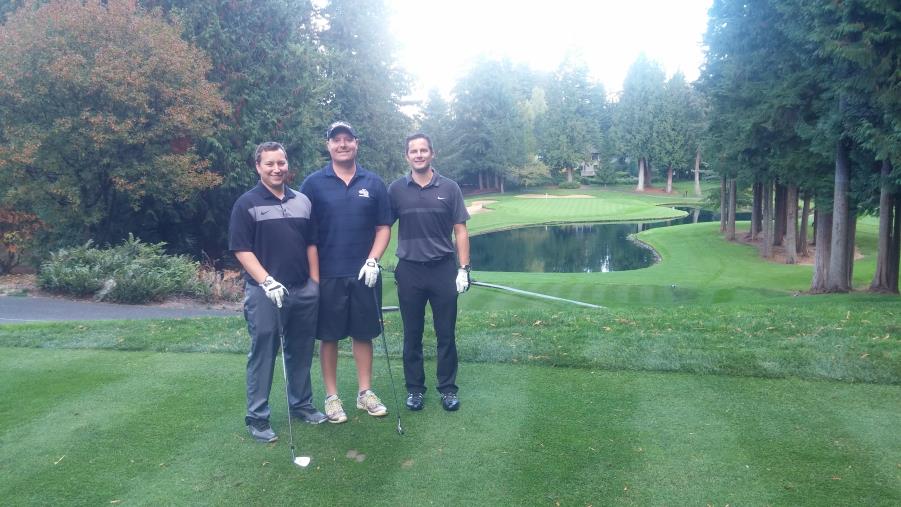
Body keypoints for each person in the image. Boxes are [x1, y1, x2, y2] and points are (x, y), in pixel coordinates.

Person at [229, 141, 327, 443]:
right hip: (265, 292)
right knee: (264, 351)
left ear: (287, 164)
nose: (276, 169)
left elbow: (311, 243)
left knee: (301, 349)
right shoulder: (246, 203)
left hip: (302, 289)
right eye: (269, 164)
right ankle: (258, 417)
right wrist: (266, 281)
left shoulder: (302, 201)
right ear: (258, 167)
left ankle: (301, 405)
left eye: (280, 163)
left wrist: (314, 284)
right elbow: (241, 249)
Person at [300, 122, 392, 424]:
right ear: (328, 145)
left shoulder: (373, 183)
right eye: (336, 140)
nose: (342, 144)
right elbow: (307, 235)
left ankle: (365, 393)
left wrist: (373, 260)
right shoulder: (313, 184)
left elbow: (383, 228)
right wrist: (313, 278)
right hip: (328, 274)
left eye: (347, 139)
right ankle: (332, 397)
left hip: (364, 273)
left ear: (356, 143)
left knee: (363, 333)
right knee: (329, 337)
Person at [388, 133, 471, 412]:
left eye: (423, 150)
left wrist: (464, 268)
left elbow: (460, 230)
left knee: (445, 333)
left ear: (432, 153)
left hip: (443, 269)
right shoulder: (396, 189)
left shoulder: (449, 187)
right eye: (414, 151)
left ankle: (447, 389)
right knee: (412, 334)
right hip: (409, 270)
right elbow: (382, 227)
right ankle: (415, 389)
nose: (419, 155)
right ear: (407, 156)